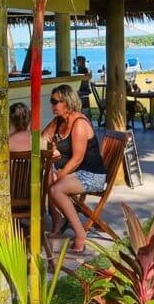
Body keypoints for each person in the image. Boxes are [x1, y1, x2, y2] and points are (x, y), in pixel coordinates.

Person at [46, 84, 108, 254]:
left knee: (56, 188)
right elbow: (43, 138)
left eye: (54, 102)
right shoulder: (59, 121)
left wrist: (60, 175)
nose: (52, 106)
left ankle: (80, 233)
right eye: (51, 101)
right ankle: (57, 219)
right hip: (75, 172)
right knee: (47, 176)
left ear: (67, 102)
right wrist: (51, 147)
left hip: (91, 175)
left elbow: (77, 158)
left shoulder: (79, 123)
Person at [74, 56, 94, 121]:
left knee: (84, 107)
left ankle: (85, 119)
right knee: (84, 106)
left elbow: (85, 78)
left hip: (83, 89)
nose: (75, 62)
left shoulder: (83, 69)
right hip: (84, 89)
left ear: (80, 62)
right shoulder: (82, 69)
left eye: (77, 61)